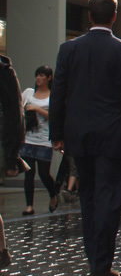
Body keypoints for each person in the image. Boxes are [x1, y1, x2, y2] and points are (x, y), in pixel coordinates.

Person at [49, 0, 121, 276]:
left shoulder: (68, 50)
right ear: (114, 16)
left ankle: (93, 256)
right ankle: (102, 262)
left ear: (88, 16)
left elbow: (58, 94)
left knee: (88, 195)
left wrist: (56, 134)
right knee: (109, 195)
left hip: (79, 133)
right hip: (111, 133)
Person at [20, 66, 59, 215]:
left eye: (42, 75)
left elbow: (54, 117)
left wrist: (37, 109)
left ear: (49, 78)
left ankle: (53, 193)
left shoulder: (53, 96)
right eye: (37, 75)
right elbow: (20, 110)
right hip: (28, 139)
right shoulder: (29, 93)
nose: (39, 78)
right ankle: (29, 205)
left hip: (44, 140)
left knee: (44, 173)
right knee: (29, 173)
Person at [0, 54, 25, 268]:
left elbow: (15, 113)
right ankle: (2, 249)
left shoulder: (4, 70)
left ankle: (2, 249)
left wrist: (11, 157)